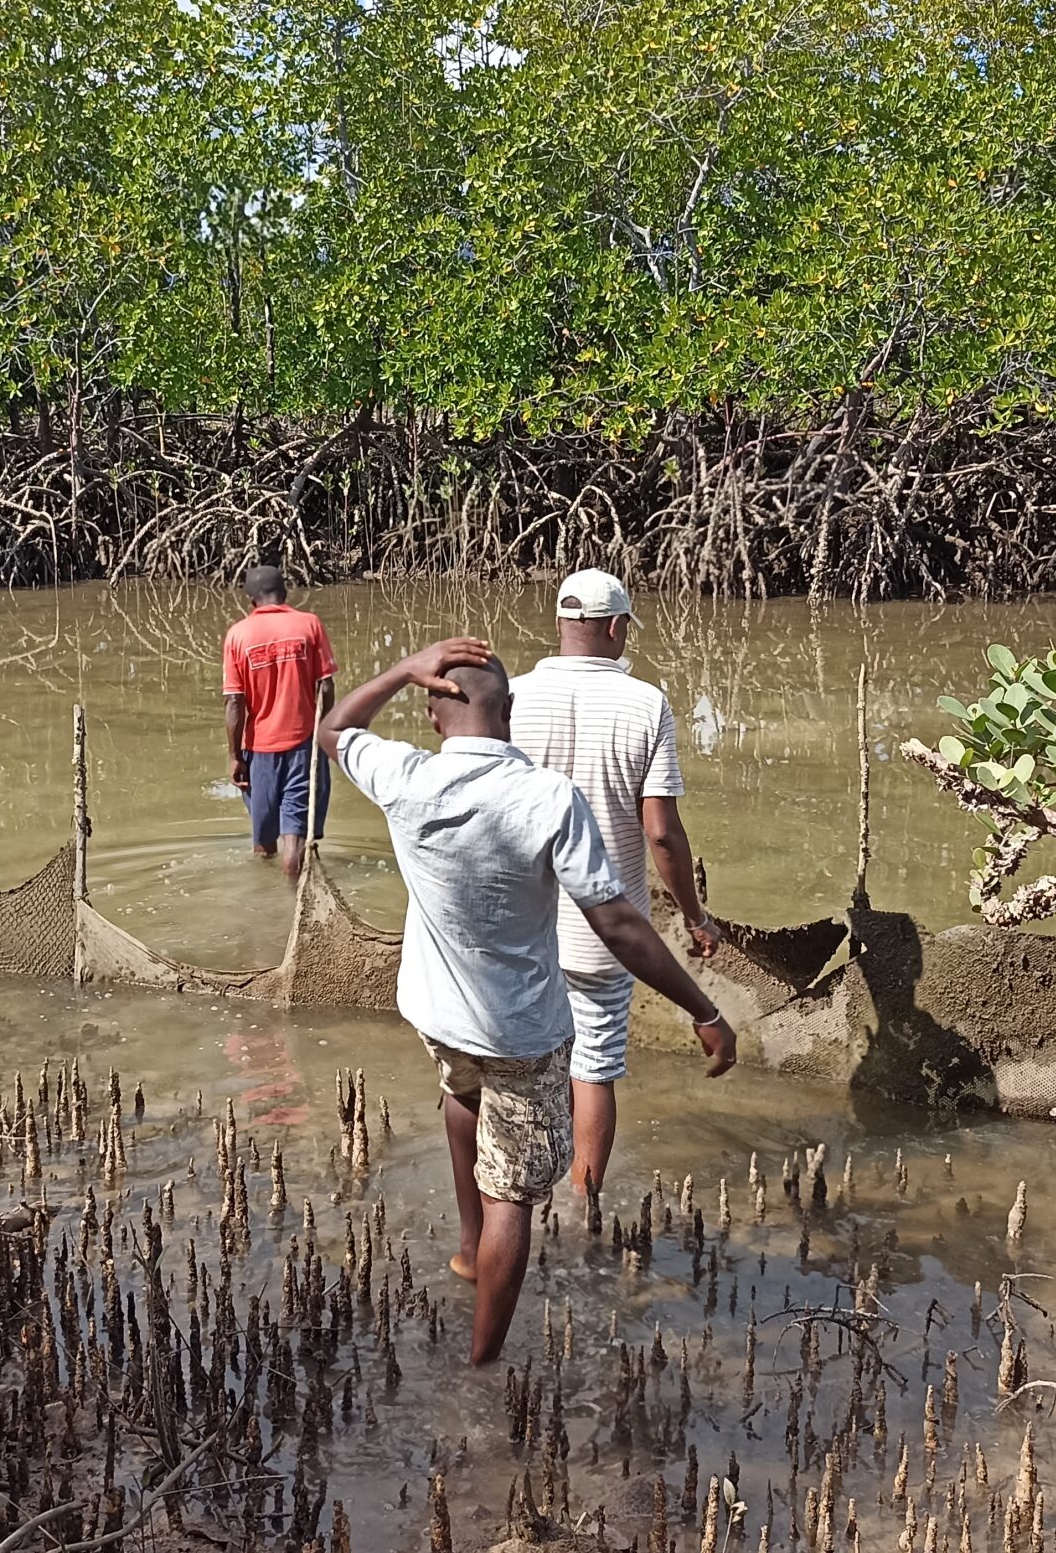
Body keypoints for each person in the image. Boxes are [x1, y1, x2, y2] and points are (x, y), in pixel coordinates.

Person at [321, 636, 735, 1365]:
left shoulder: (405, 776)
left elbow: (332, 731)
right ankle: (483, 1365)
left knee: (462, 1092)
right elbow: (617, 924)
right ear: (509, 710)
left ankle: (468, 1251)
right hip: (522, 1035)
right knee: (510, 1195)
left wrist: (401, 669)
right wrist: (703, 1009)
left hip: (436, 1015)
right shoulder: (547, 798)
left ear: (432, 714)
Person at [510, 567, 723, 1203]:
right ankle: (584, 1205)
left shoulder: (512, 697)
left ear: (559, 623)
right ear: (615, 627)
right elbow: (661, 832)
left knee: (518, 1061)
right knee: (594, 1067)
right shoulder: (645, 704)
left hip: (521, 927)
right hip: (604, 935)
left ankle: (511, 1199)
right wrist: (694, 916)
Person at [222, 564, 336, 880]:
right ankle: (293, 895)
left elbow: (234, 702)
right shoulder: (309, 625)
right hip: (304, 746)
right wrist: (323, 732)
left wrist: (234, 756)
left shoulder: (238, 635)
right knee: (294, 838)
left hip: (259, 751)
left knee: (263, 843)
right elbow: (326, 687)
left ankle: (265, 898)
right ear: (285, 593)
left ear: (250, 600)